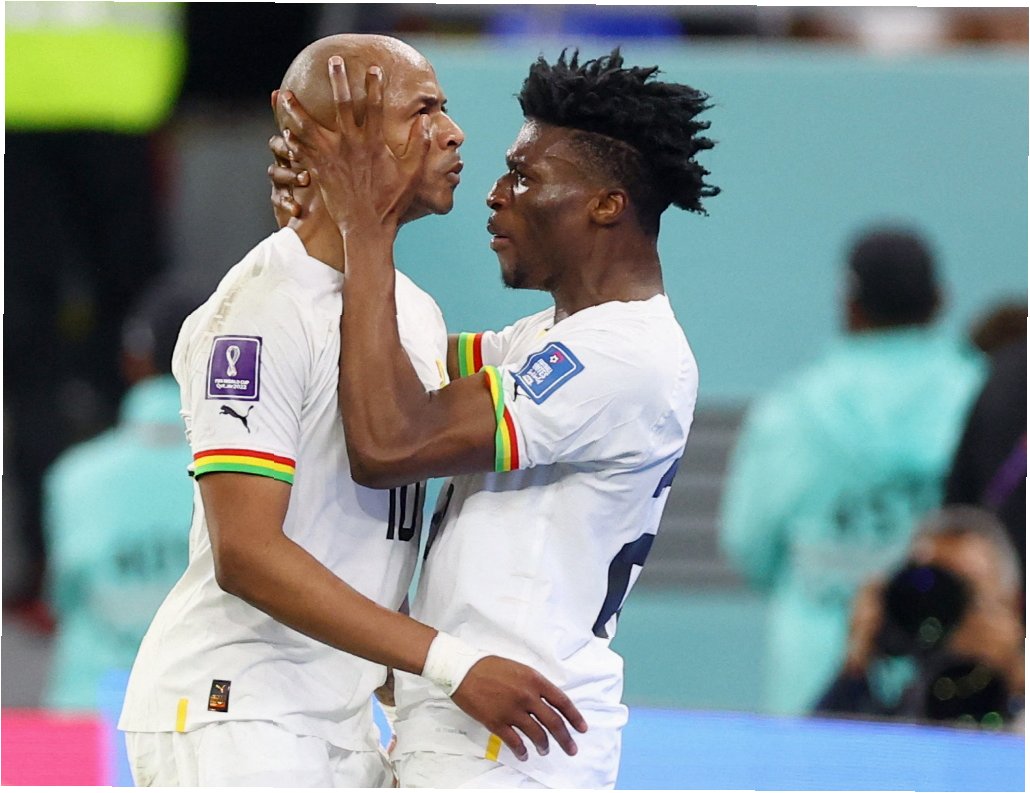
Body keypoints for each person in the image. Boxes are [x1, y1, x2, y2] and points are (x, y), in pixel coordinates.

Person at [118, 34, 584, 788]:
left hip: (340, 720)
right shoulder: (257, 311)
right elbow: (246, 553)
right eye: (422, 110)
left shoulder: (416, 313)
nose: (453, 132)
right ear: (337, 136)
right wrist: (451, 662)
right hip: (237, 711)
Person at [275, 47, 716, 788]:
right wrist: (317, 235)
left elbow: (388, 439)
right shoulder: (552, 335)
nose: (496, 193)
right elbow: (377, 357)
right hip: (471, 730)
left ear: (606, 204)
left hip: (507, 741)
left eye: (524, 176)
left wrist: (365, 227)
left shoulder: (625, 353)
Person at [719, 227, 987, 716]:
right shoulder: (983, 398)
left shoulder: (794, 409)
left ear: (849, 306)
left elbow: (749, 543)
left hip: (818, 671)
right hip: (955, 679)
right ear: (940, 300)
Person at [42, 286, 198, 711]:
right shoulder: (264, 473)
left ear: (134, 361)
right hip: (212, 709)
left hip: (93, 709)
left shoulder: (74, 477)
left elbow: (62, 600)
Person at [815, 505, 1024, 727]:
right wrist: (857, 664)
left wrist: (1014, 674)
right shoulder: (895, 678)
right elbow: (822, 739)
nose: (943, 605)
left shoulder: (1014, 677)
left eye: (963, 591)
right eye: (930, 584)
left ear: (1011, 602)